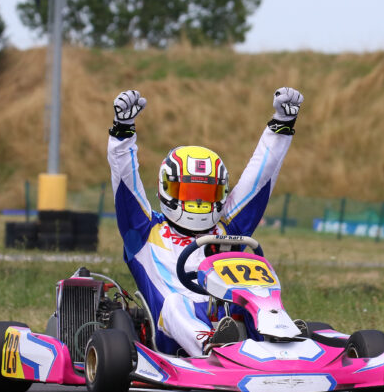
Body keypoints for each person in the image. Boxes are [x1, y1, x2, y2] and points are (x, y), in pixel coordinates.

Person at [107, 86, 303, 356]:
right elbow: (126, 181)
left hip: (227, 318)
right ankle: (212, 347)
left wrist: (281, 124)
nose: (198, 203)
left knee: (256, 295)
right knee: (177, 303)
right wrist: (123, 131)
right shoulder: (143, 231)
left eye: (207, 194)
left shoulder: (228, 229)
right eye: (189, 193)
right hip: (170, 335)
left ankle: (283, 342)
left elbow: (260, 175)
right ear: (167, 189)